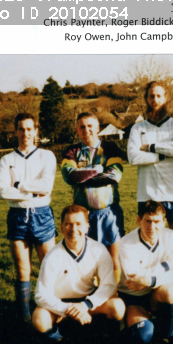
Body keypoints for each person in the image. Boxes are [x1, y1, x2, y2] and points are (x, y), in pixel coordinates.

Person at [127, 81, 173, 313]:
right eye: (151, 96)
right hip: (148, 194)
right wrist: (163, 154)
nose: (155, 100)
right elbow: (133, 157)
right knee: (149, 245)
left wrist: (151, 147)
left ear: (166, 98)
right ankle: (152, 294)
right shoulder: (137, 128)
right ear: (146, 99)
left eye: (159, 96)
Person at [32, 205, 125, 342]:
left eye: (78, 224)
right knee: (39, 318)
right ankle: (61, 341)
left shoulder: (98, 250)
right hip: (60, 305)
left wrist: (86, 305)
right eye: (68, 224)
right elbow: (41, 295)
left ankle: (100, 336)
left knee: (118, 307)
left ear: (87, 227)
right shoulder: (53, 256)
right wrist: (68, 309)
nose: (73, 229)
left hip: (87, 302)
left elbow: (109, 285)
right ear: (62, 227)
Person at [0, 113, 57, 323]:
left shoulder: (47, 155)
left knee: (48, 266)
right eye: (21, 129)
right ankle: (24, 316)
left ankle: (51, 309)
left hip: (41, 215)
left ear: (35, 131)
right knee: (22, 270)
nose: (25, 133)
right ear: (15, 132)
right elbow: (3, 192)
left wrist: (19, 185)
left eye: (29, 129)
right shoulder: (7, 160)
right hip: (17, 216)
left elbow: (46, 187)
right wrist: (33, 192)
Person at [62, 113, 125, 282]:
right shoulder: (71, 151)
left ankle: (115, 295)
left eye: (90, 126)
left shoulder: (111, 148)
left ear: (98, 128)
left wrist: (83, 177)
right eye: (82, 127)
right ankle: (90, 297)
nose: (86, 130)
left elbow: (114, 175)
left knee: (114, 257)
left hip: (109, 211)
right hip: (82, 215)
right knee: (87, 258)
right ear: (77, 130)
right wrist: (99, 170)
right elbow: (68, 176)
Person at [117, 201, 173, 344]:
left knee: (169, 290)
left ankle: (168, 336)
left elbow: (172, 276)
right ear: (139, 220)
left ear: (164, 222)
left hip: (155, 293)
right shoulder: (126, 243)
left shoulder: (170, 236)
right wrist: (166, 265)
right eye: (148, 221)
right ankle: (132, 320)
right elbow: (133, 279)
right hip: (133, 296)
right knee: (142, 336)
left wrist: (148, 280)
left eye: (157, 221)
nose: (152, 227)